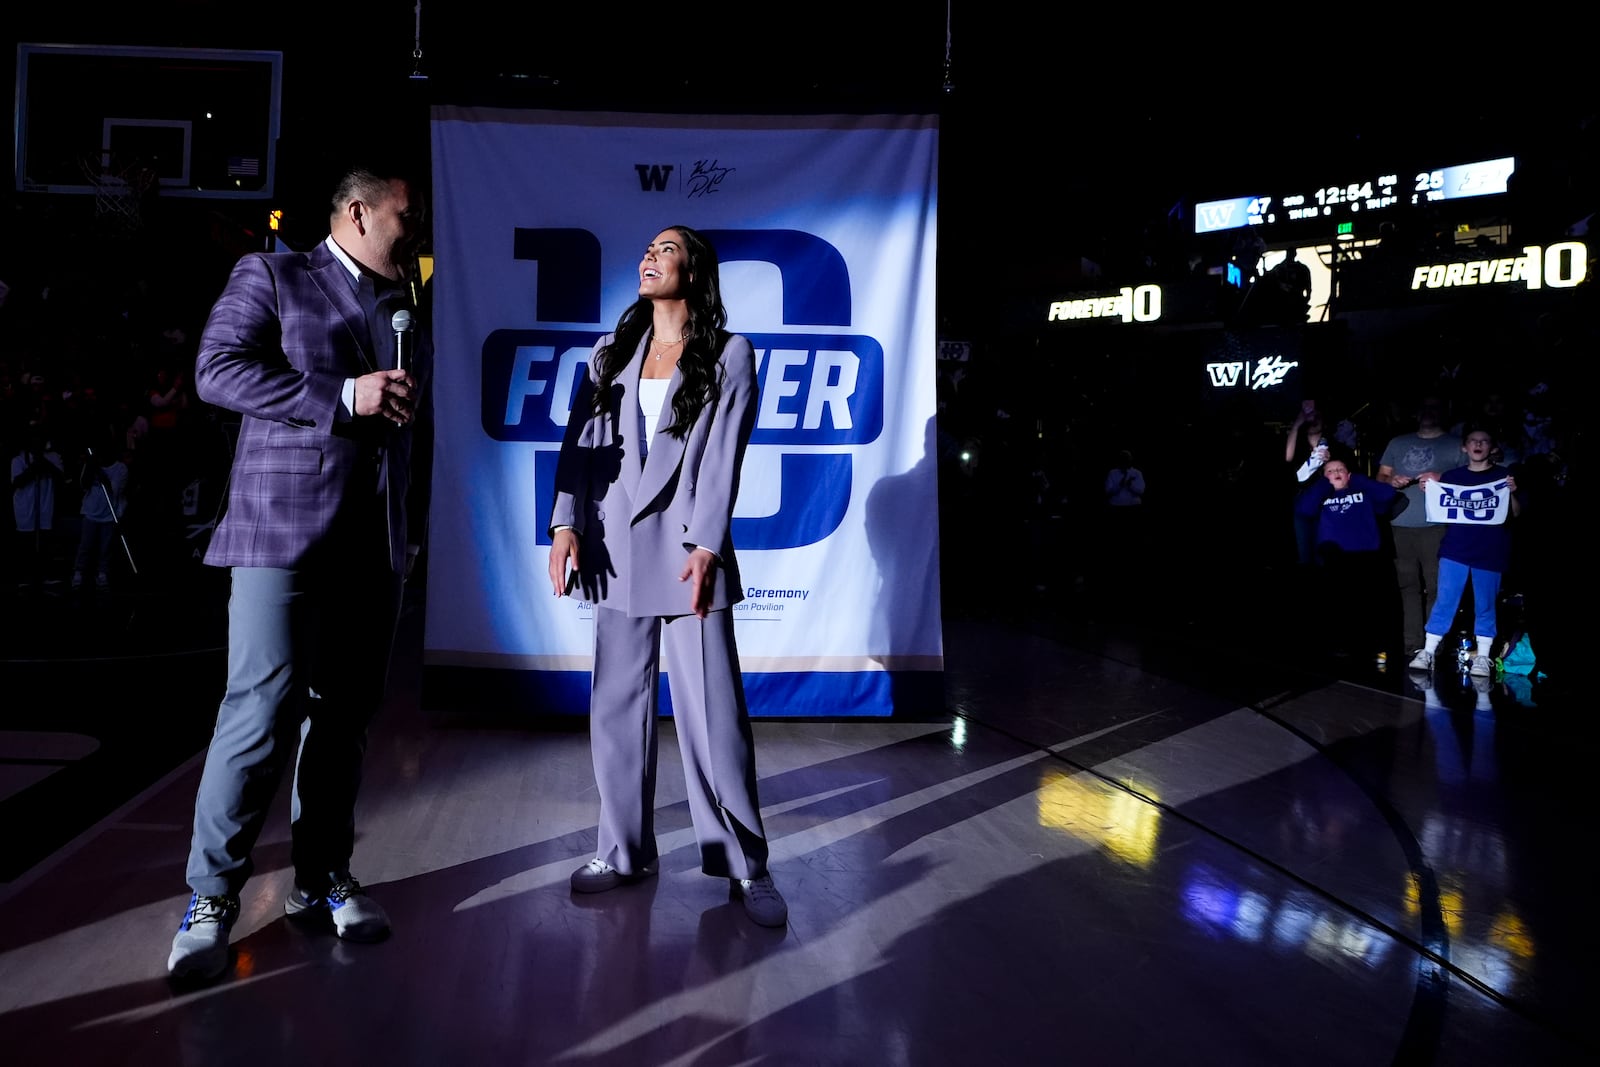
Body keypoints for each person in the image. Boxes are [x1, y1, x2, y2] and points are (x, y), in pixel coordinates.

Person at [166, 162, 432, 980]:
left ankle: (318, 880)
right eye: (401, 217)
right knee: (262, 704)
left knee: (345, 714)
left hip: (372, 540)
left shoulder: (405, 307)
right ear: (356, 211)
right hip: (278, 530)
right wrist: (344, 394)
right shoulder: (275, 273)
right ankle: (211, 896)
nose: (411, 232)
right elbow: (217, 371)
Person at [547, 225, 786, 929]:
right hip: (613, 548)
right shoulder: (610, 353)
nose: (650, 255)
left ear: (695, 270)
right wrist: (565, 525)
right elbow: (578, 448)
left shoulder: (729, 354)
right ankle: (623, 851)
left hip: (688, 555)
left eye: (668, 248)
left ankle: (747, 866)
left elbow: (724, 461)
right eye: (647, 247)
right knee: (615, 708)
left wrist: (708, 543)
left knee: (714, 719)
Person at [1406, 428, 1520, 677]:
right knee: (1444, 600)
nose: (1478, 445)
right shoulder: (1452, 476)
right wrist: (1431, 491)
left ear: (1492, 447)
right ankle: (1427, 651)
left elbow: (1516, 513)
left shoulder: (1503, 476)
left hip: (1491, 550)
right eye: (1473, 441)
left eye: (1484, 441)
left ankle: (1483, 656)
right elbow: (1439, 506)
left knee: (1485, 605)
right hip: (1455, 549)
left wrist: (1512, 493)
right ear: (1464, 447)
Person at [1376, 395, 1462, 661]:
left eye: (1433, 407)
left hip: (1438, 525)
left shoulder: (1455, 444)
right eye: (1423, 408)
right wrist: (1390, 482)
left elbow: (1471, 478)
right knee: (1408, 586)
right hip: (1400, 523)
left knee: (1437, 587)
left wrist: (1442, 478)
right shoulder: (1398, 442)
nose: (1427, 413)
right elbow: (1381, 476)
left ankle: (1434, 644)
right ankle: (1412, 644)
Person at [1296, 458, 1398, 661]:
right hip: (1334, 557)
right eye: (1330, 471)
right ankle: (1341, 644)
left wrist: (1357, 480)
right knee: (1338, 603)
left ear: (1348, 474)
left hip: (1365, 554)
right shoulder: (1321, 494)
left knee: (1367, 602)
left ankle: (1371, 643)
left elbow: (1388, 494)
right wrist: (1324, 484)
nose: (1335, 473)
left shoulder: (1361, 491)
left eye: (1340, 469)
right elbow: (1304, 510)